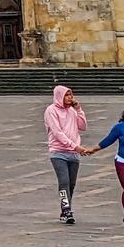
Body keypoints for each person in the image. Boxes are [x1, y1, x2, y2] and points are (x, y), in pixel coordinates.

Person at [43, 85, 86, 225]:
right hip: (58, 151)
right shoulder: (51, 110)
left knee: (72, 184)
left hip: (73, 153)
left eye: (70, 95)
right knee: (64, 181)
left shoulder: (72, 111)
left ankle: (66, 209)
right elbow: (57, 132)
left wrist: (79, 109)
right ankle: (66, 209)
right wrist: (74, 146)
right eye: (66, 95)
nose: (69, 97)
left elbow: (83, 126)